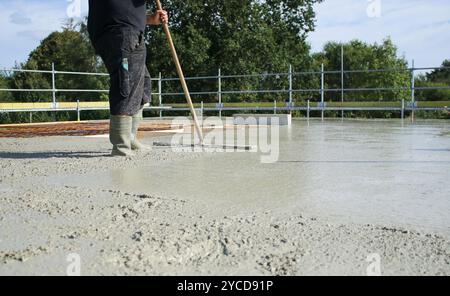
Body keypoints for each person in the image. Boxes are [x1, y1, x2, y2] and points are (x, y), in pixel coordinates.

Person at [87, 0, 168, 156]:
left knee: (142, 84)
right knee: (126, 84)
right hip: (121, 32)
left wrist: (150, 19)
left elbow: (122, 8)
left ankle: (130, 138)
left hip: (128, 30)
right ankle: (121, 145)